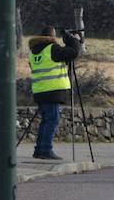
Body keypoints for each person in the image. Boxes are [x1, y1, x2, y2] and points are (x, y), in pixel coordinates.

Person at [27, 26, 80, 162]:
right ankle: (45, 149)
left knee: (46, 120)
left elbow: (64, 56)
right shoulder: (52, 48)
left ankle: (39, 150)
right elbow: (73, 52)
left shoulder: (34, 52)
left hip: (40, 90)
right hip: (52, 90)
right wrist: (72, 40)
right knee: (52, 120)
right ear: (52, 36)